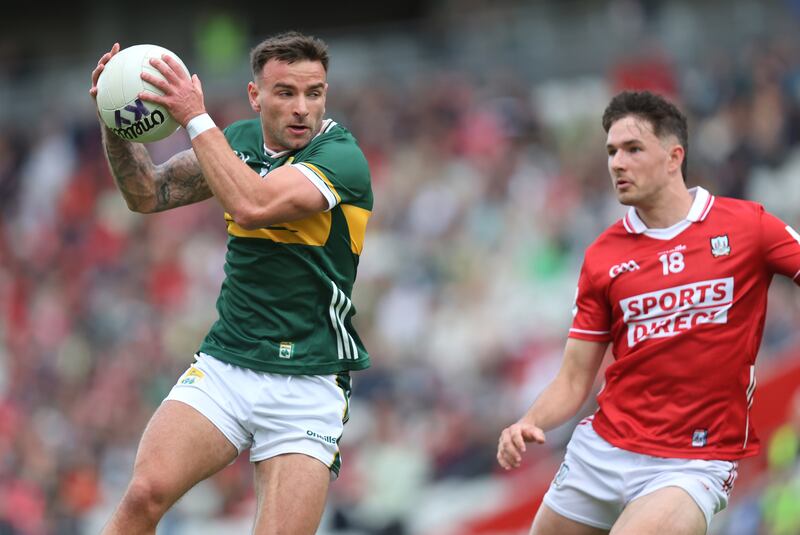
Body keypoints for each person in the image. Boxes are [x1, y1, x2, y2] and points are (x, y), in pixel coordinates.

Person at [88, 31, 373, 535]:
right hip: (229, 364)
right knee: (142, 495)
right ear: (255, 96)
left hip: (309, 378)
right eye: (285, 92)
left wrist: (195, 116)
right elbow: (148, 194)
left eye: (315, 92)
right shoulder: (237, 142)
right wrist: (117, 120)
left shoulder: (340, 158)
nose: (302, 107)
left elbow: (253, 205)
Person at [496, 90, 800, 535]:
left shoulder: (747, 227)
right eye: (611, 151)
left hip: (693, 459)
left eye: (633, 149)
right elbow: (574, 379)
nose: (617, 163)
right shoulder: (603, 256)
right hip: (603, 449)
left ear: (674, 156)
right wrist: (528, 422)